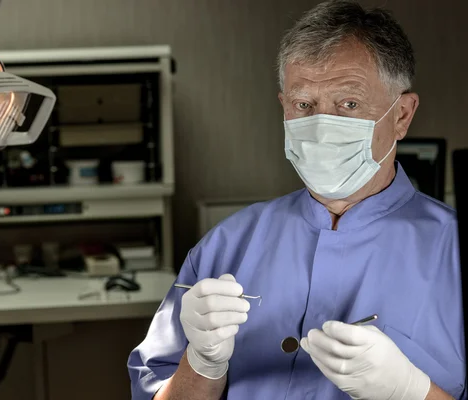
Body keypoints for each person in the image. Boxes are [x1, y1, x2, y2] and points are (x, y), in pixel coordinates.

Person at [127, 1, 466, 399]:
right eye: (304, 105)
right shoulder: (227, 246)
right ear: (284, 106)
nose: (321, 127)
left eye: (349, 105)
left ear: (402, 116)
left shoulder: (452, 252)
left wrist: (411, 392)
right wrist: (202, 363)